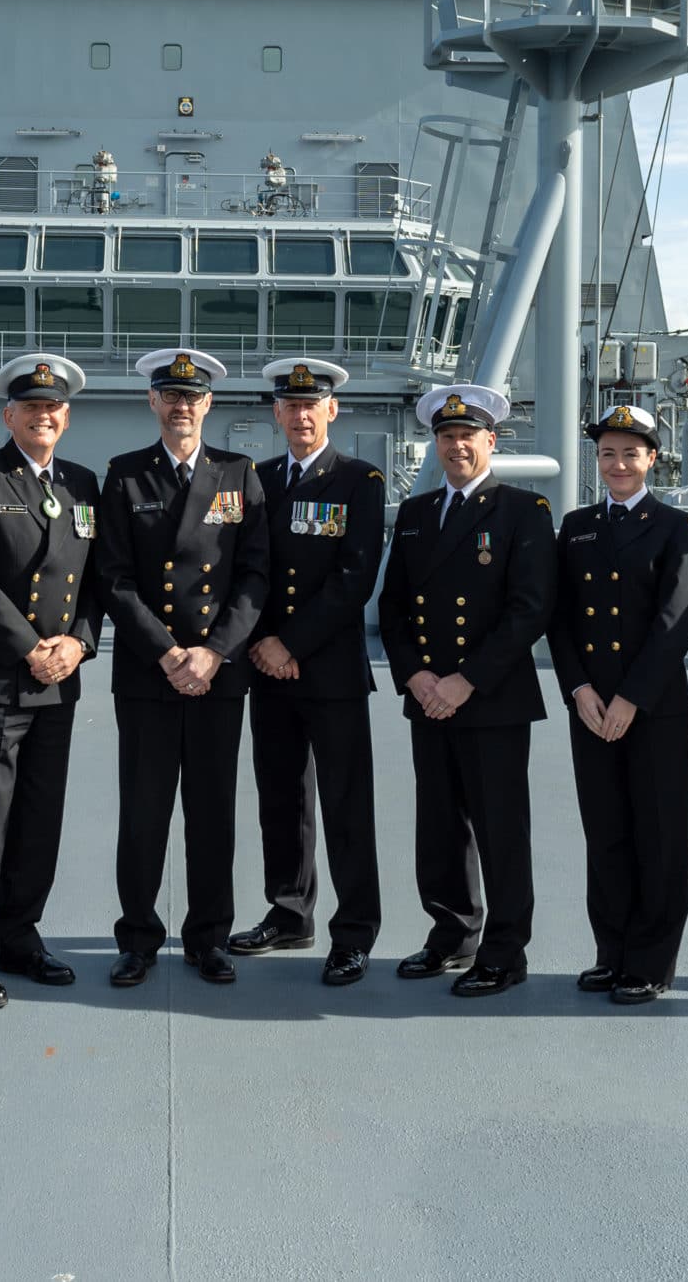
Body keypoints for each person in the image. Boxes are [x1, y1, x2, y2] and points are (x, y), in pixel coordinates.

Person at [92, 348, 272, 988]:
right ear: (153, 402)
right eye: (170, 395)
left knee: (212, 811)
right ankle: (138, 937)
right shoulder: (125, 476)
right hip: (150, 672)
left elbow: (254, 575)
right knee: (142, 813)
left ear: (208, 404)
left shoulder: (238, 474)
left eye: (192, 397)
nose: (182, 406)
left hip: (215, 674)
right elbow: (113, 577)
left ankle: (209, 937)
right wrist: (167, 652)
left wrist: (213, 652)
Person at [375, 384, 557, 998]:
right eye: (447, 436)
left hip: (492, 698)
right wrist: (415, 676)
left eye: (468, 435)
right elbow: (394, 607)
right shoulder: (418, 513)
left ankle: (505, 951)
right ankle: (451, 933)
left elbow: (530, 608)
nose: (457, 445)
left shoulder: (522, 511)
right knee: (440, 825)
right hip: (429, 696)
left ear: (491, 441)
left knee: (500, 829)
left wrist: (465, 679)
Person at [0, 353, 104, 1011]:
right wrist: (31, 647)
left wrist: (78, 643)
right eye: (31, 407)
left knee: (39, 816)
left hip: (58, 679)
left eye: (53, 407)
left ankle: (19, 932)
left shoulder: (82, 484)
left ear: (66, 417)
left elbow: (95, 580)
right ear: (9, 416)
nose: (44, 416)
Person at [231, 358, 387, 985]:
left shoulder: (359, 480)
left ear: (332, 411)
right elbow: (247, 568)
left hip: (330, 670)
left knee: (347, 804)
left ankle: (354, 933)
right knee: (281, 797)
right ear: (277, 413)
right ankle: (290, 912)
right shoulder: (259, 479)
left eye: (311, 405)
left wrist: (289, 643)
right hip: (268, 670)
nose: (301, 415)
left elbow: (354, 578)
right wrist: (262, 645)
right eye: (291, 406)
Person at [545, 403, 688, 1006]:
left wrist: (631, 698)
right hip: (590, 707)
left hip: (653, 709)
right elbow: (559, 618)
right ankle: (611, 952)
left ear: (652, 459)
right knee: (606, 832)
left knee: (658, 836)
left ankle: (651, 962)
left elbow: (674, 621)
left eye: (630, 453)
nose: (617, 464)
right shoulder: (577, 526)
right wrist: (579, 689)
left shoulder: (675, 526)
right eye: (607, 453)